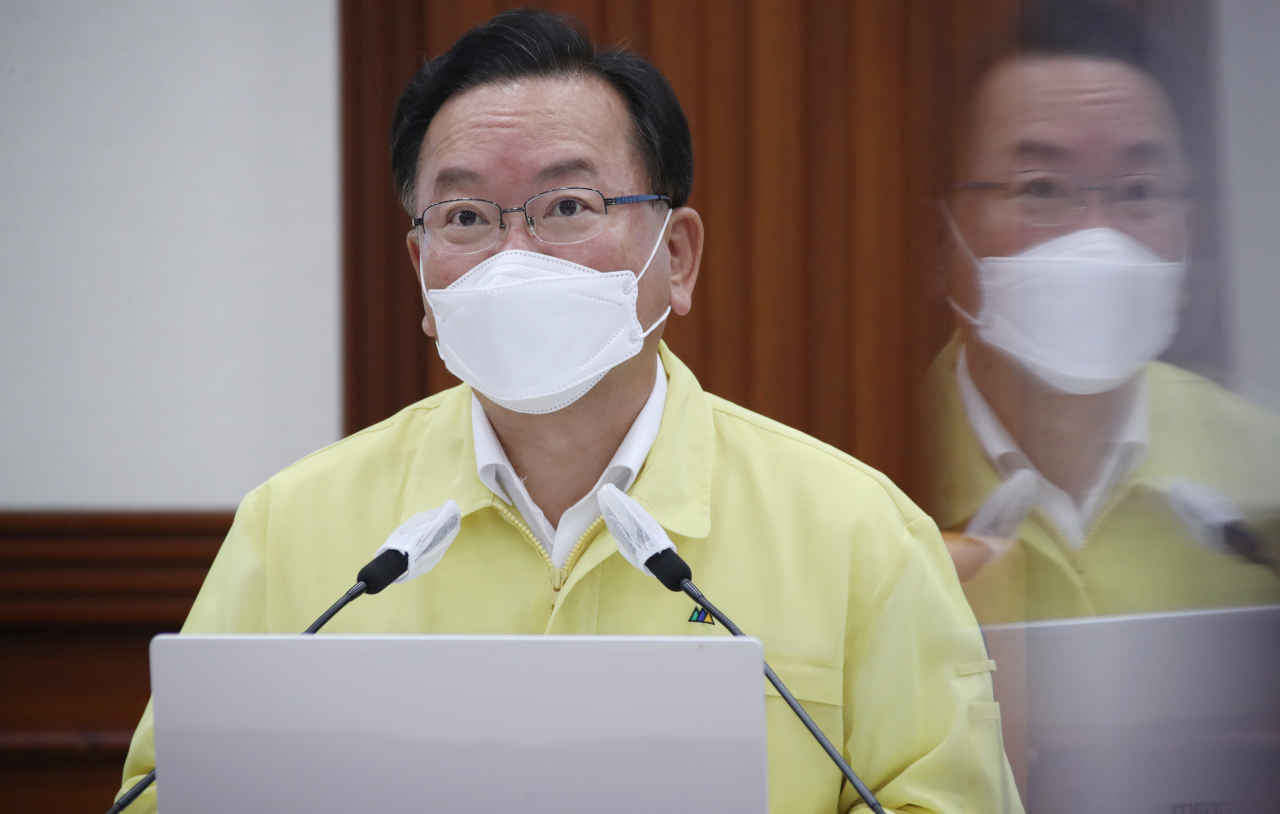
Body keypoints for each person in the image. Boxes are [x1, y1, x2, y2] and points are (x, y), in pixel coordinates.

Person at [116, 10, 1016, 813]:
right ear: (421, 275)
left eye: (568, 207)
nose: (516, 256)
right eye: (465, 216)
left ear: (679, 256)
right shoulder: (296, 531)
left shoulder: (860, 533)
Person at [928, 0, 1280, 624]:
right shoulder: (874, 463)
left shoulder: (1261, 470)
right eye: (1042, 189)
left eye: (1139, 191)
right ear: (943, 238)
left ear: (1188, 232)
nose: (1099, 235)